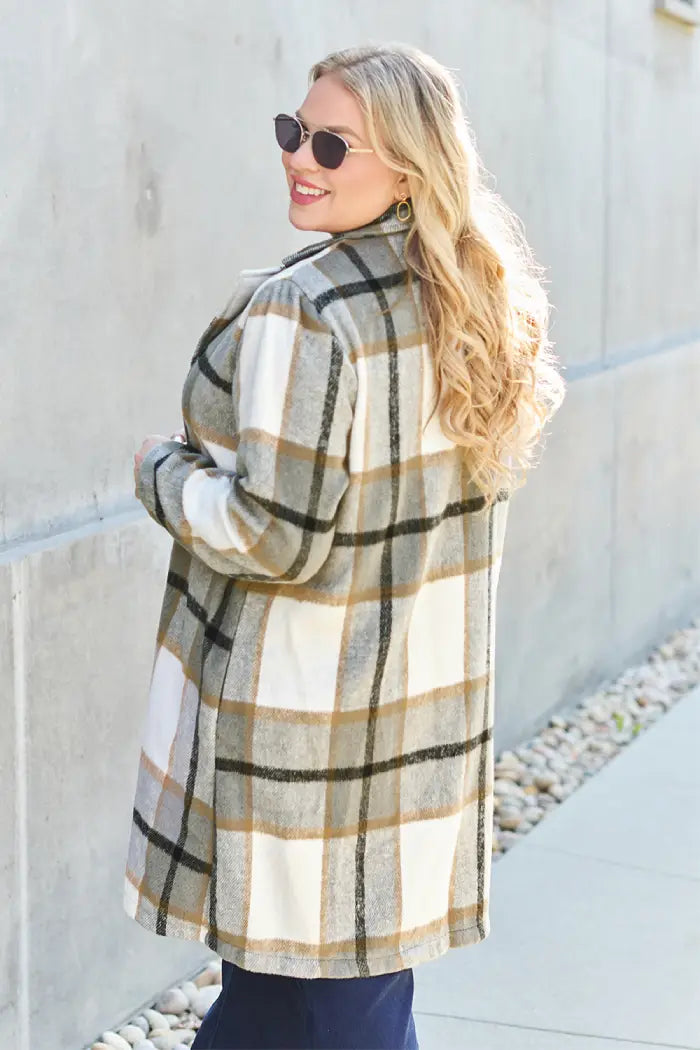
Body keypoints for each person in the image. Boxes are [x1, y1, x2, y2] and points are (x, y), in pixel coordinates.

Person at [124, 42, 565, 1050]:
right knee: (292, 1004)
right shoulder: (465, 299)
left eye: (333, 143)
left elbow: (268, 535)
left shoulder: (308, 310)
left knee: (324, 1011)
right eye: (294, 131)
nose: (300, 158)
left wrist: (161, 471)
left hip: (305, 734)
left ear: (408, 167)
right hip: (413, 719)